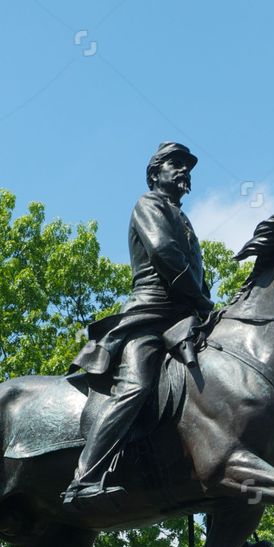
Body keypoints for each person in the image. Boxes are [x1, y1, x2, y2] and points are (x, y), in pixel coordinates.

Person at [63, 141, 213, 505]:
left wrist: (205, 307)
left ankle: (223, 501)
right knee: (136, 385)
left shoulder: (183, 218)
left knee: (213, 395)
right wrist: (200, 297)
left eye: (187, 166)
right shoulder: (148, 205)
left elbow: (193, 268)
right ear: (154, 174)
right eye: (175, 164)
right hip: (151, 317)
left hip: (185, 316)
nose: (183, 171)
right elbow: (165, 254)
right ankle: (85, 478)